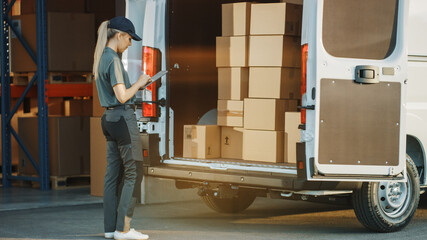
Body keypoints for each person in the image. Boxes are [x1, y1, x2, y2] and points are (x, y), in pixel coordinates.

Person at [93, 16, 151, 240]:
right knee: (134, 173)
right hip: (122, 120)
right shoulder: (114, 60)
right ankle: (123, 230)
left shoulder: (101, 57)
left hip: (108, 120)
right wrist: (139, 83)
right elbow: (122, 95)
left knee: (112, 175)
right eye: (129, 38)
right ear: (118, 35)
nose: (130, 43)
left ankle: (110, 229)